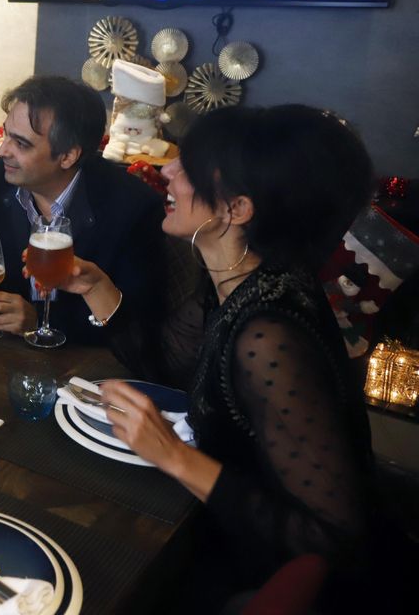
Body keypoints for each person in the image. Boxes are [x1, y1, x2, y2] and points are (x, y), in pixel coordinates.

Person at [55, 105, 386, 608]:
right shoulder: (239, 281)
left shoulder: (268, 332)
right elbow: (170, 365)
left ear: (236, 209)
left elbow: (334, 538)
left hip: (255, 577)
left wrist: (175, 455)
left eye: (186, 166)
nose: (166, 169)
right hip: (215, 532)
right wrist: (95, 285)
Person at [0, 76, 164, 345]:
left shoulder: (132, 206)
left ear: (68, 156)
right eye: (6, 133)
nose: (3, 149)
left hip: (83, 370)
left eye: (21, 143)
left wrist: (39, 322)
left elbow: (137, 324)